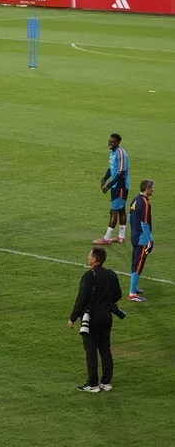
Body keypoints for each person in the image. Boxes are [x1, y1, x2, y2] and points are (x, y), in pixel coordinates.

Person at [68, 246, 122, 392]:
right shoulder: (111, 274)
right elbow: (118, 294)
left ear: (94, 259)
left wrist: (73, 318)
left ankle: (92, 384)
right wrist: (105, 302)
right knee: (105, 349)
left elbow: (81, 299)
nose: (87, 258)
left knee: (91, 350)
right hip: (106, 317)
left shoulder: (89, 276)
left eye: (89, 255)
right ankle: (106, 382)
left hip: (91, 319)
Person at [93, 134, 130, 245]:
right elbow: (111, 168)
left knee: (113, 211)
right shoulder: (112, 153)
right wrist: (104, 179)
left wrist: (108, 186)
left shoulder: (121, 153)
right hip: (115, 186)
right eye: (109, 141)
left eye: (113, 142)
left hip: (121, 186)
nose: (110, 143)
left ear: (118, 143)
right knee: (121, 210)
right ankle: (121, 237)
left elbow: (121, 173)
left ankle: (106, 238)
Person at [127, 179, 154, 302]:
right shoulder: (145, 203)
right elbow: (144, 224)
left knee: (135, 263)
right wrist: (150, 240)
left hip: (134, 237)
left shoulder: (135, 200)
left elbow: (129, 218)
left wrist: (134, 231)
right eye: (151, 188)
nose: (153, 190)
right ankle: (132, 293)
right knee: (138, 265)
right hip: (142, 240)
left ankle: (134, 288)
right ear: (147, 188)